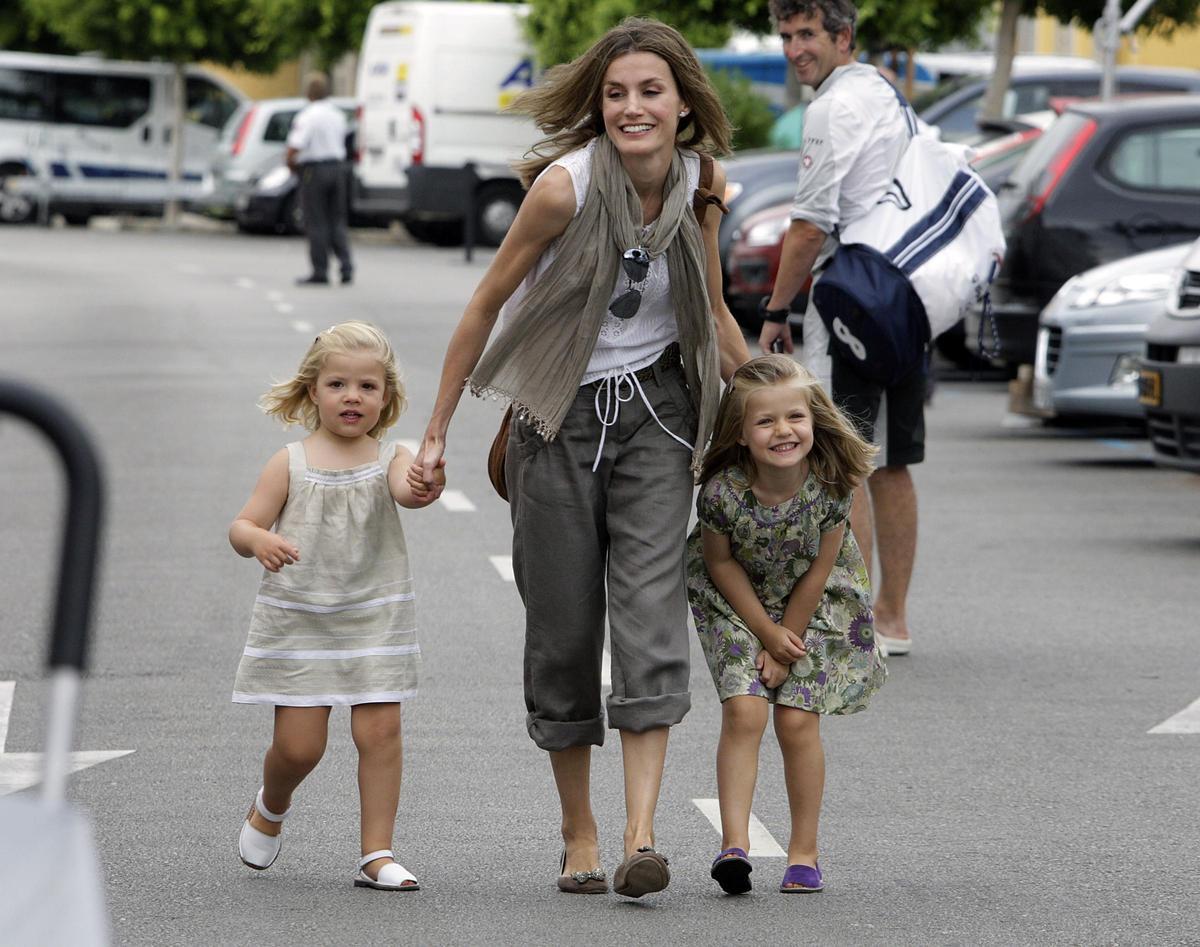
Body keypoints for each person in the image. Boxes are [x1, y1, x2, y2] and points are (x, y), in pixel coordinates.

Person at [409, 18, 749, 899]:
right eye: (616, 93)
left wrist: (787, 414)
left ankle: (640, 832)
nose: (632, 107)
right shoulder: (563, 188)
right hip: (554, 421)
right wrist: (438, 429)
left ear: (683, 104)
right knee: (564, 635)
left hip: (659, 421)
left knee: (650, 621)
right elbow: (487, 304)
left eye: (650, 91)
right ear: (599, 107)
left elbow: (711, 310)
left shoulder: (703, 183)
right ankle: (580, 828)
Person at [229, 322, 441, 891]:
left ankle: (377, 854)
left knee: (381, 735)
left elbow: (406, 490)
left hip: (374, 615)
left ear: (386, 398)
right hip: (301, 619)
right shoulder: (289, 462)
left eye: (368, 387)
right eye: (339, 384)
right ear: (312, 391)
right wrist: (260, 541)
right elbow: (242, 524)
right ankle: (270, 806)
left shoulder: (391, 456)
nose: (353, 397)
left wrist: (425, 482)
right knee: (300, 748)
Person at [687, 355, 885, 895]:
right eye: (765, 421)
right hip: (735, 598)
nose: (783, 431)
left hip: (813, 599)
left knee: (797, 722)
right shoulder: (723, 493)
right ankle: (734, 845)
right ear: (742, 433)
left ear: (814, 419)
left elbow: (823, 567)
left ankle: (804, 852)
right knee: (745, 711)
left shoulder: (830, 484)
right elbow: (719, 564)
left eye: (794, 417)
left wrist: (784, 642)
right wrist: (765, 634)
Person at [757, 0, 920, 656]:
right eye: (787, 35)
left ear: (841, 37)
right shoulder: (886, 92)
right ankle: (892, 619)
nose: (796, 48)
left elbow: (808, 225)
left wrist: (774, 311)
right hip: (906, 293)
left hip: (852, 296)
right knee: (896, 462)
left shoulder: (828, 108)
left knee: (843, 463)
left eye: (807, 35)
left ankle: (851, 621)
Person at [286, 72, 354, 286]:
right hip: (337, 168)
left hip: (314, 171)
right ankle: (346, 266)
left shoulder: (308, 116)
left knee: (316, 221)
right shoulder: (337, 114)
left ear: (309, 93)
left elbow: (295, 146)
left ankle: (320, 270)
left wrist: (291, 165)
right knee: (337, 220)